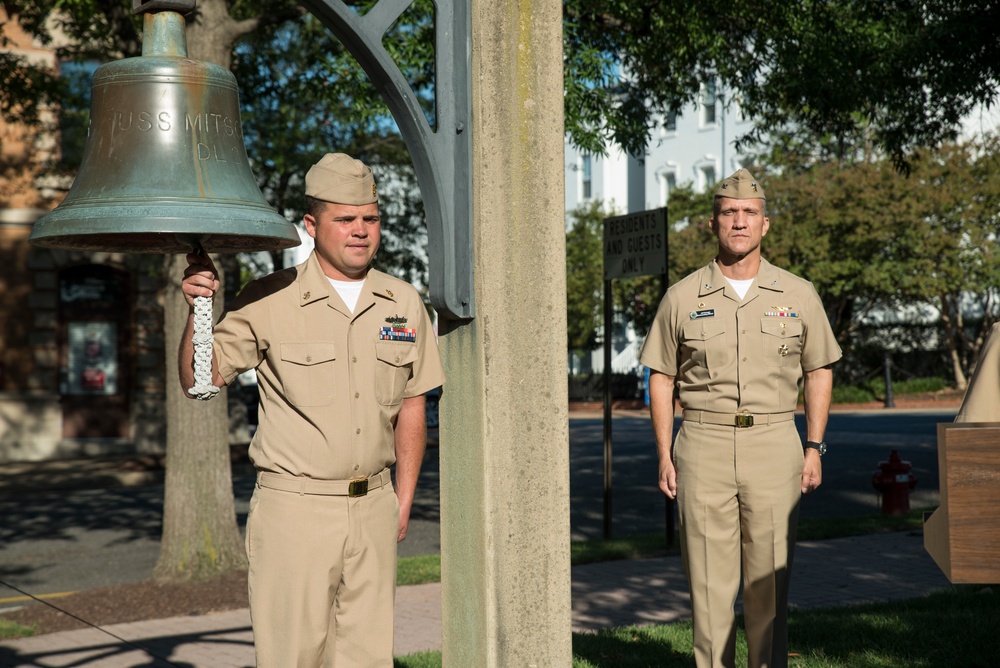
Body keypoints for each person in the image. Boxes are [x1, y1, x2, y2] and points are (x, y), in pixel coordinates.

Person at [179, 152, 445, 667]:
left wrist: (402, 500)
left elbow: (413, 405)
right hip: (294, 512)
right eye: (345, 219)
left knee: (367, 659)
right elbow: (198, 381)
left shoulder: (404, 302)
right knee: (292, 658)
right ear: (311, 225)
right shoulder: (267, 299)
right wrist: (199, 310)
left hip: (374, 508)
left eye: (370, 218)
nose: (360, 230)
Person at [639, 168, 841, 668]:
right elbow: (660, 378)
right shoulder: (683, 297)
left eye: (749, 213)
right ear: (713, 224)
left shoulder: (797, 294)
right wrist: (664, 454)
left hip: (775, 445)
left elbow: (818, 370)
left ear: (765, 225)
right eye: (729, 213)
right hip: (702, 447)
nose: (739, 222)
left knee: (768, 589)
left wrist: (813, 447)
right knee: (708, 594)